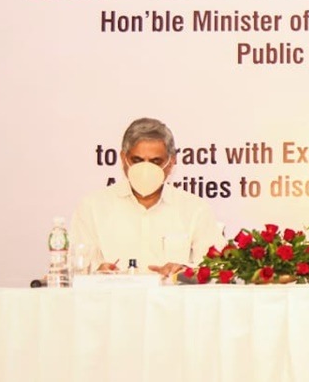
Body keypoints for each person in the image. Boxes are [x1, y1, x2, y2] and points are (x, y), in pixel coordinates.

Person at [70, 117, 221, 277]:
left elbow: (216, 268)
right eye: (137, 160)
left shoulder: (195, 209)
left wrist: (183, 271)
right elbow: (77, 270)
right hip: (112, 293)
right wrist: (97, 273)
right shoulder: (92, 207)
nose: (146, 168)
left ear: (171, 163)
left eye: (155, 161)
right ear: (123, 159)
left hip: (170, 294)